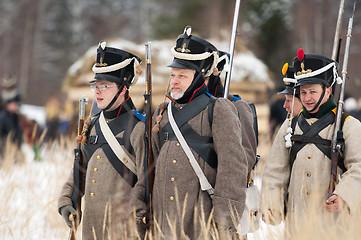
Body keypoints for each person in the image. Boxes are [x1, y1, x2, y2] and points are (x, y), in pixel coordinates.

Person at [131, 26, 250, 239]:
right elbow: (152, 165)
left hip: (201, 223)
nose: (174, 81)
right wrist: (138, 203)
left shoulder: (218, 109)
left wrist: (225, 221)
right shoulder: (162, 111)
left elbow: (233, 167)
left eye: (182, 76)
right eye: (173, 74)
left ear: (199, 77)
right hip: (163, 223)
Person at [261, 49, 361, 238]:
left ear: (328, 90)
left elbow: (359, 167)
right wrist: (272, 205)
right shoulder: (289, 126)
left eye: (313, 91)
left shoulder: (349, 126)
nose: (307, 98)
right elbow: (275, 171)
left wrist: (344, 195)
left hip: (336, 227)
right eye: (303, 92)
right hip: (296, 227)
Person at [58, 41, 145, 240]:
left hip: (124, 232)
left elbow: (147, 184)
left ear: (123, 89)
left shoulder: (140, 129)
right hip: (92, 229)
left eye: (104, 86)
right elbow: (78, 170)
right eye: (96, 85)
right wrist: (65, 201)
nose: (97, 91)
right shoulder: (91, 126)